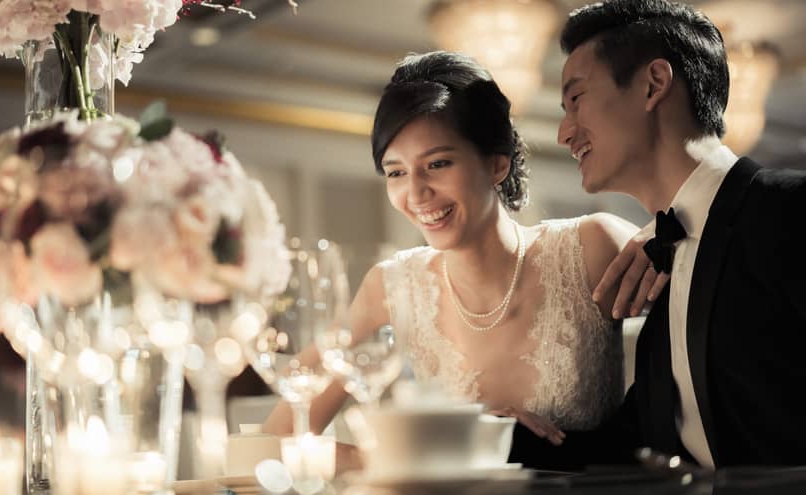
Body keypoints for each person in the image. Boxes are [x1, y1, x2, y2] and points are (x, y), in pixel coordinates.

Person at [263, 51, 648, 453]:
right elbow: (280, 435)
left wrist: (659, 233)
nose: (415, 193)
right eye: (396, 172)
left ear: (497, 165)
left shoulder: (589, 248)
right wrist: (432, 447)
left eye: (438, 163)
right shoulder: (391, 286)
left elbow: (705, 284)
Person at [512, 0, 806, 470]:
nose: (565, 131)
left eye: (577, 99)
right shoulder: (658, 267)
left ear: (653, 85)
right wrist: (498, 432)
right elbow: (630, 449)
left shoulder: (791, 212)